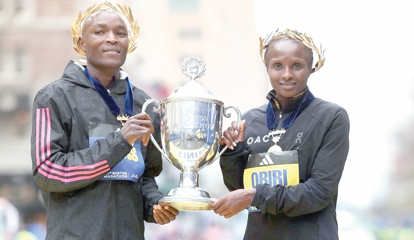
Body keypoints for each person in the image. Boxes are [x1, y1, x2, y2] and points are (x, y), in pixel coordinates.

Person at [30, 3, 178, 240]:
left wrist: (155, 205)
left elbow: (146, 177)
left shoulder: (144, 103)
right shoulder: (54, 97)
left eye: (120, 33)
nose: (112, 39)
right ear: (80, 43)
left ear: (130, 42)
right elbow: (47, 171)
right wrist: (119, 141)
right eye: (100, 32)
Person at [211, 29, 350, 240]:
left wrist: (256, 195)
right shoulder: (250, 121)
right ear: (267, 68)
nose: (286, 74)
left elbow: (319, 192)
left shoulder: (331, 117)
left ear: (311, 68)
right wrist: (231, 152)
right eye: (277, 65)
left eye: (296, 65)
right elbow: (239, 189)